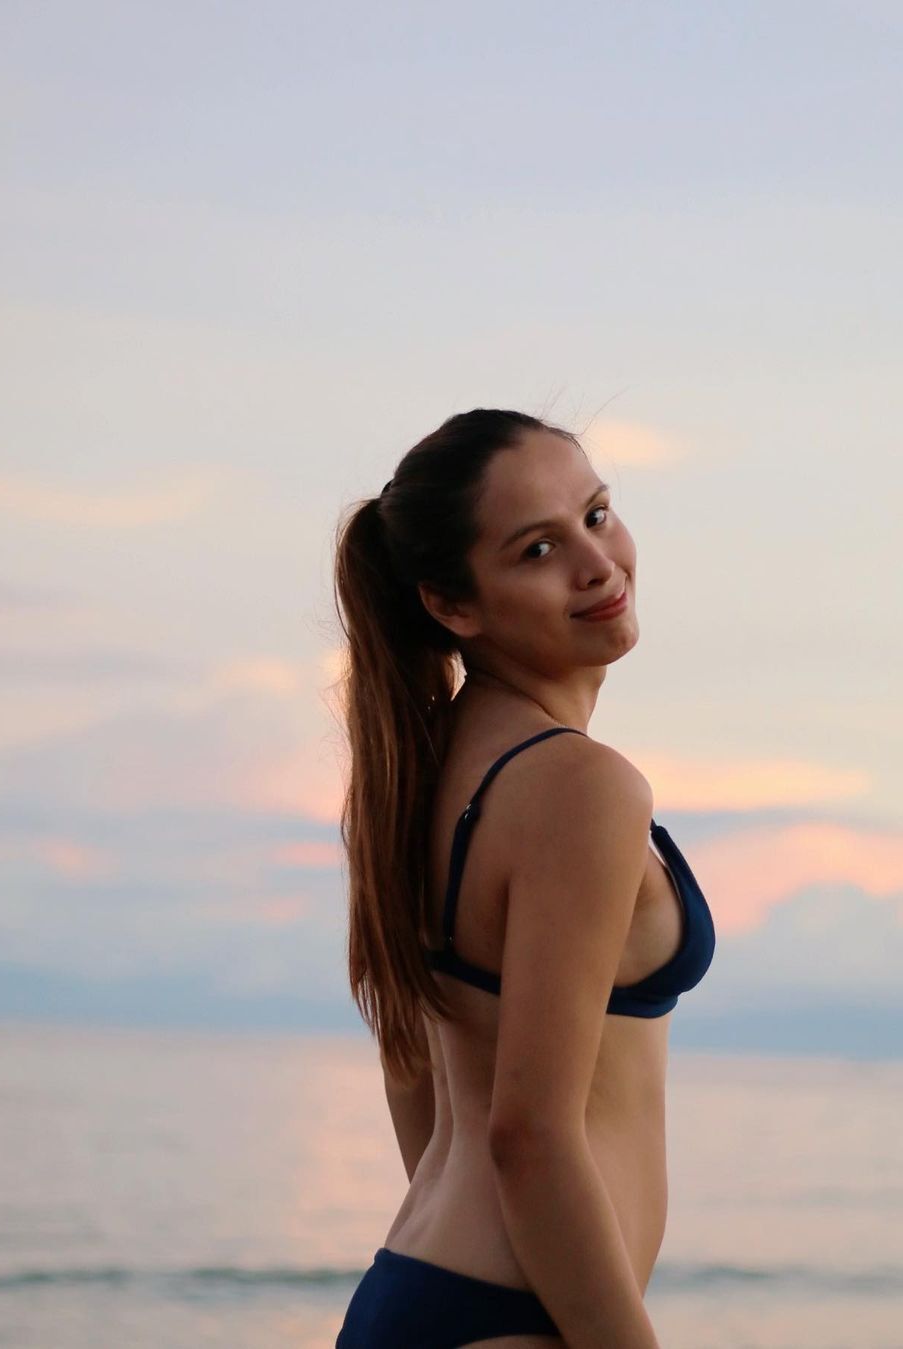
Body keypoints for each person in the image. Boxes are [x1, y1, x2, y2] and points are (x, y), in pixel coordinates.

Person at [331, 408, 715, 1348]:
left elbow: (411, 1061)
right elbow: (530, 1135)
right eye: (539, 548)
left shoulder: (419, 768)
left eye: (597, 513)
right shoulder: (580, 787)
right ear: (453, 605)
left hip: (420, 1289)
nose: (598, 563)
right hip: (514, 1316)